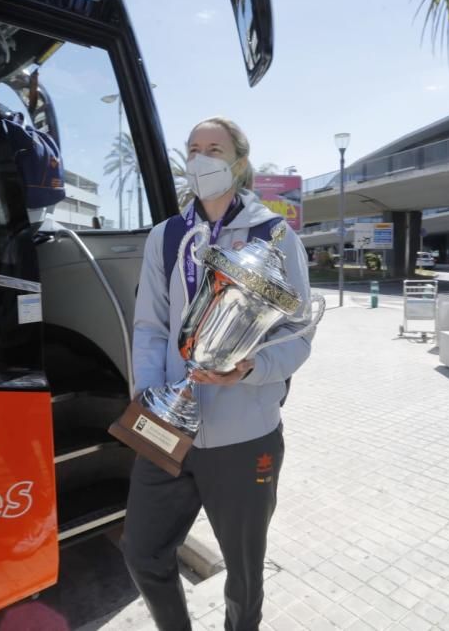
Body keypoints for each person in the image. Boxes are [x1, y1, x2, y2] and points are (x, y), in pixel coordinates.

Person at [121, 117, 314, 631]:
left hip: (245, 437)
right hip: (168, 429)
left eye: (214, 149)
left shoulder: (274, 235)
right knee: (141, 552)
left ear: (239, 162)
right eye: (193, 149)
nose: (202, 159)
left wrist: (251, 368)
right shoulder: (166, 237)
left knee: (245, 576)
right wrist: (150, 395)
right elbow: (149, 327)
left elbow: (298, 332)